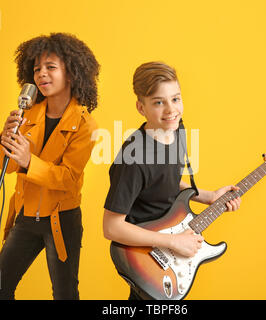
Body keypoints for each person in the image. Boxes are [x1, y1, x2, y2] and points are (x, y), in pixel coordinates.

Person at [103, 61, 242, 300]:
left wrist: (209, 197)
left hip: (171, 248)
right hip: (148, 258)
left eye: (175, 99)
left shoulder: (177, 130)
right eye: (159, 102)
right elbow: (111, 227)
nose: (171, 110)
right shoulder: (132, 159)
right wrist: (172, 241)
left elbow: (165, 182)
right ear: (140, 107)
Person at [0, 32, 99, 300]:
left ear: (71, 74)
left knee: (64, 294)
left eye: (50, 67)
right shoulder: (27, 114)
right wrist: (4, 141)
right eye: (37, 68)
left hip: (61, 220)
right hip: (26, 217)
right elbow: (5, 165)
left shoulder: (85, 125)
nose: (41, 74)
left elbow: (68, 179)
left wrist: (29, 161)